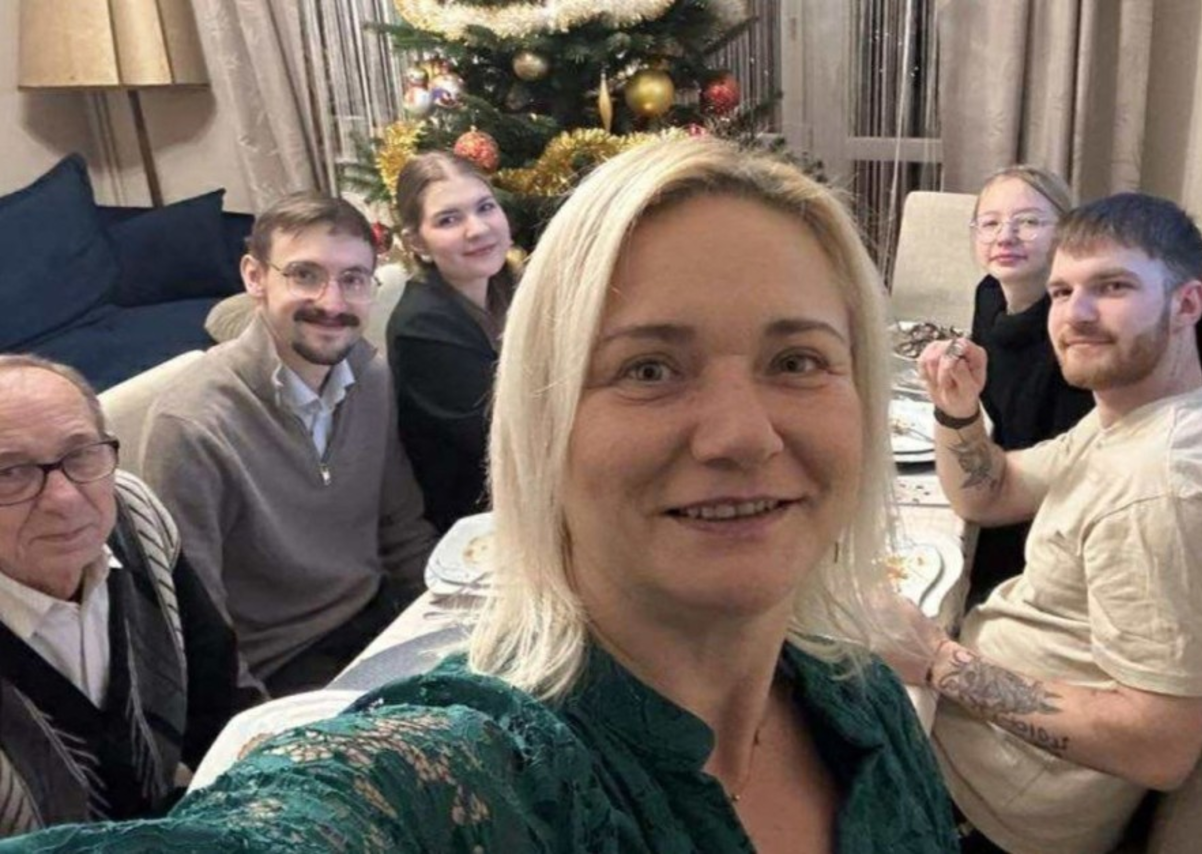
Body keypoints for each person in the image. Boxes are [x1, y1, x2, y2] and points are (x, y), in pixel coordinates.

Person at [4, 139, 958, 852]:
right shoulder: (474, 772)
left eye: (798, 361)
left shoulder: (864, 702)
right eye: (649, 369)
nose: (744, 435)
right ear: (541, 426)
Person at [899, 193, 1202, 853]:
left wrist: (935, 660)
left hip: (980, 810)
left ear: (1187, 303)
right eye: (1062, 290)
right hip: (969, 743)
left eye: (1113, 286)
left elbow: (1160, 746)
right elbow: (990, 494)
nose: (1074, 314)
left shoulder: (1169, 489)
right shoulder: (1130, 419)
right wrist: (958, 411)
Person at [139, 193, 438, 697]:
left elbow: (402, 528)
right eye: (304, 275)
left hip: (381, 623)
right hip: (285, 669)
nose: (332, 302)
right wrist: (255, 719)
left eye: (352, 279)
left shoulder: (370, 376)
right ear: (255, 277)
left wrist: (450, 624)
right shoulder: (192, 426)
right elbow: (196, 622)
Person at [0, 355, 261, 837]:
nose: (64, 499)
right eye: (9, 472)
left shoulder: (134, 516)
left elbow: (218, 700)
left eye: (81, 453)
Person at [964, 165, 1094, 608]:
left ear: (1067, 232)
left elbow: (1069, 475)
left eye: (1029, 222)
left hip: (1036, 527)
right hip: (988, 476)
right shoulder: (989, 294)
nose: (1005, 237)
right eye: (990, 223)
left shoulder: (1075, 330)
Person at [387, 151, 517, 532]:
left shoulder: (510, 288)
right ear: (417, 243)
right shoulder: (421, 327)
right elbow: (505, 442)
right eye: (448, 219)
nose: (477, 229)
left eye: (485, 207)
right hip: (476, 525)